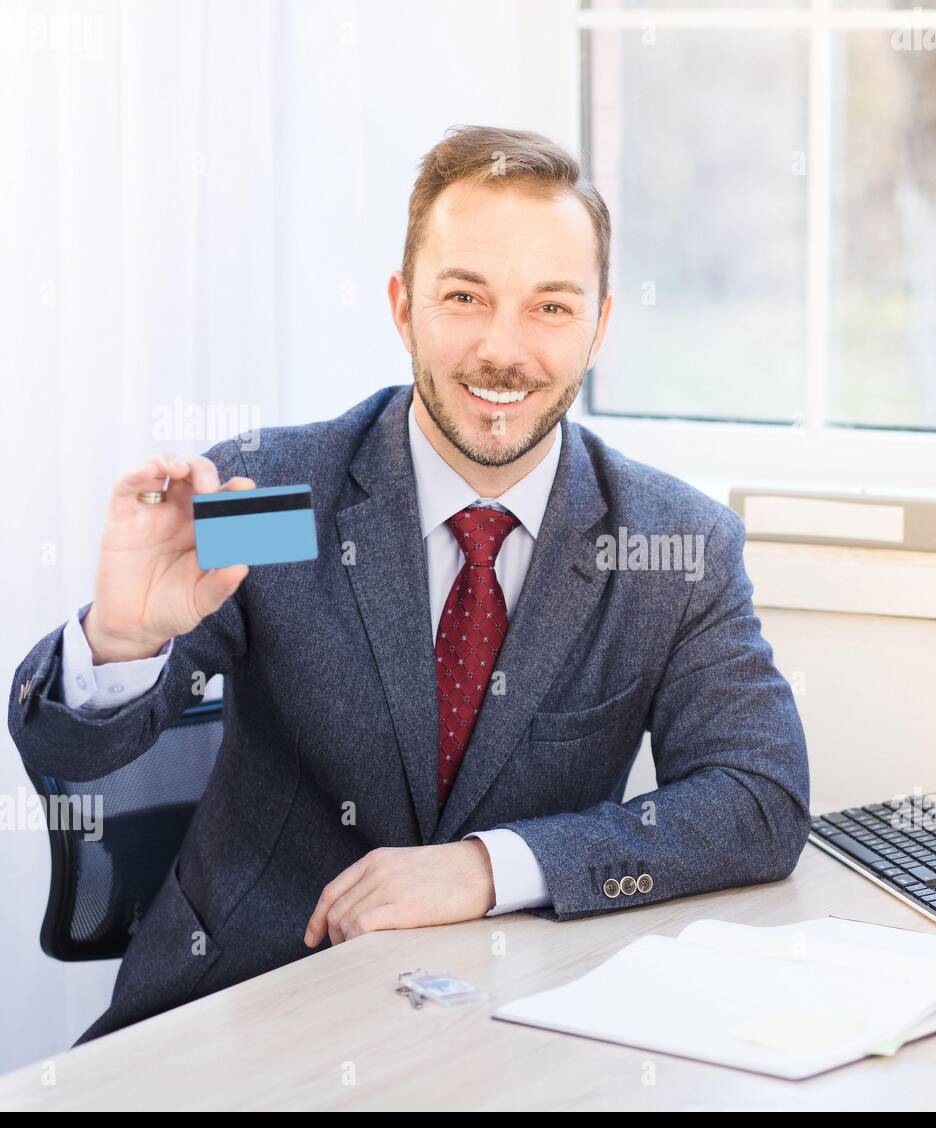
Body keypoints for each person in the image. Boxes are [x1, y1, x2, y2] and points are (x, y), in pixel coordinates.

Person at [8, 125, 810, 1044]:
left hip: (510, 1032)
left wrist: (489, 867)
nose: (502, 351)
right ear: (402, 308)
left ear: (601, 323)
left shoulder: (675, 543)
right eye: (464, 296)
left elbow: (759, 799)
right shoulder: (272, 495)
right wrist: (120, 639)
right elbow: (77, 764)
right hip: (240, 1014)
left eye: (551, 307)